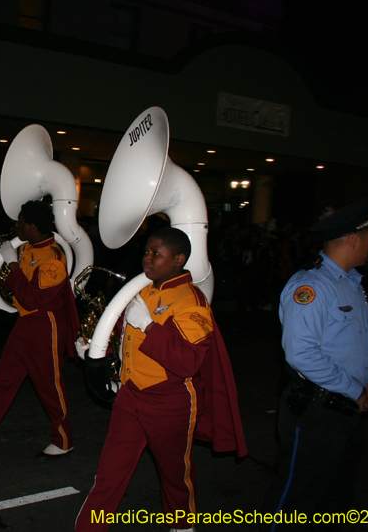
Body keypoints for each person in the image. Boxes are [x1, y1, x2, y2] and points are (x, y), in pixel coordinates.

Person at [75, 227, 247, 532]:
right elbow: (127, 335)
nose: (148, 258)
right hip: (131, 395)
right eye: (146, 251)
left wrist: (150, 326)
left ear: (178, 259)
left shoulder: (191, 301)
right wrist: (96, 345)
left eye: (157, 253)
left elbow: (188, 361)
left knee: (174, 475)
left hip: (170, 400)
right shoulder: (144, 290)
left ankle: (182, 525)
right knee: (109, 473)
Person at [260, 198, 368, 531]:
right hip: (318, 411)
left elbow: (362, 343)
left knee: (334, 500)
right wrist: (354, 390)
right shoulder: (312, 287)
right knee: (295, 501)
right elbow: (301, 353)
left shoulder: (351, 284)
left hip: (347, 410)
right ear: (352, 240)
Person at [0, 200, 80, 460]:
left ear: (32, 226)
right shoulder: (29, 248)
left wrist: (14, 268)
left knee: (50, 387)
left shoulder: (54, 257)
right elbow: (19, 291)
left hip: (46, 327)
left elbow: (32, 298)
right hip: (25, 324)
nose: (15, 225)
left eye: (19, 222)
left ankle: (64, 440)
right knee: (3, 382)